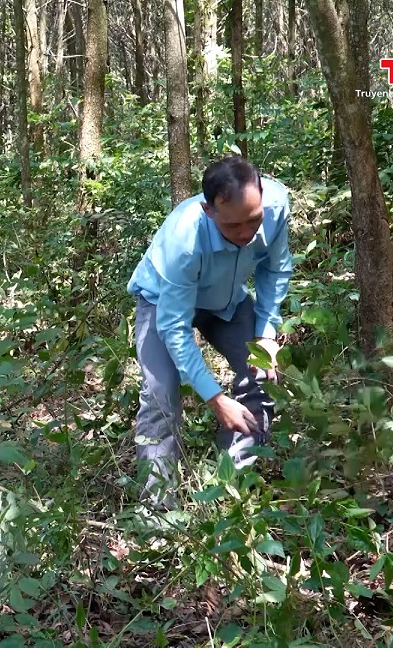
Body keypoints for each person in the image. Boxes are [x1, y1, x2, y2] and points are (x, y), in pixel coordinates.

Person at [126, 156, 294, 509]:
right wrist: (215, 399)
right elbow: (173, 326)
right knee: (161, 395)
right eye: (233, 227)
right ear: (209, 210)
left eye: (253, 220)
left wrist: (266, 333)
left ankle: (229, 490)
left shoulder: (277, 206)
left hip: (227, 302)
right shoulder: (184, 237)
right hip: (162, 302)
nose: (246, 233)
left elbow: (275, 272)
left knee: (262, 375)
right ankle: (160, 512)